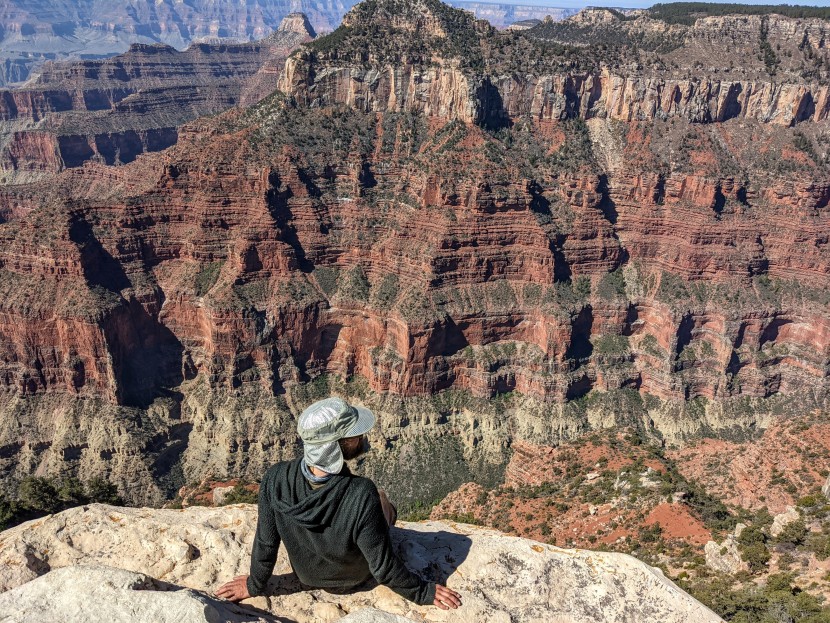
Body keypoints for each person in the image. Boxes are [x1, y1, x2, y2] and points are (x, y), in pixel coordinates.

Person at [215, 397, 462, 611]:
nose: (362, 437)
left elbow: (266, 542)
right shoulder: (361, 493)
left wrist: (254, 585)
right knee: (381, 498)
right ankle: (388, 512)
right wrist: (423, 593)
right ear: (340, 445)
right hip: (352, 578)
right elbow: (383, 568)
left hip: (306, 574)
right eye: (355, 434)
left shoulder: (275, 478)